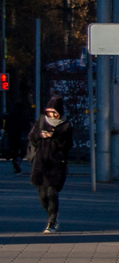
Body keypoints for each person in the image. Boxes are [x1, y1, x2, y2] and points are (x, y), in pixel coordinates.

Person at [29, 96, 73, 234]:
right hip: (41, 163)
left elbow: (67, 145)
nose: (52, 115)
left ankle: (52, 222)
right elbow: (32, 137)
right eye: (50, 112)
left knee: (52, 192)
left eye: (55, 112)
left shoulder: (65, 125)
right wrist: (42, 135)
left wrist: (54, 136)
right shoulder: (42, 121)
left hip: (56, 163)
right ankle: (52, 215)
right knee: (42, 194)